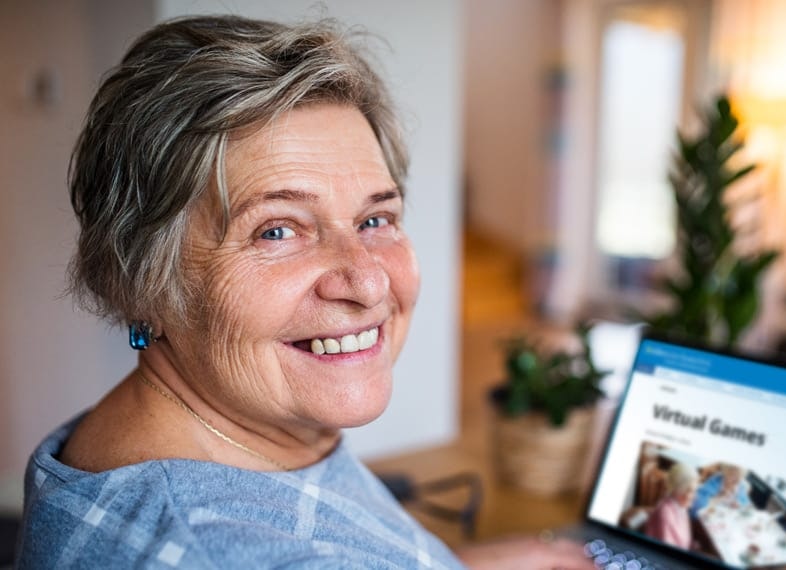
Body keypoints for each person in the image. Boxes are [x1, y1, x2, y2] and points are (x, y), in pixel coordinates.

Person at [14, 15, 593, 569]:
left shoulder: (221, 434)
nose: (368, 283)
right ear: (140, 281)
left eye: (375, 219)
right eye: (277, 230)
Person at [644, 462, 699, 549]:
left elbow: (684, 538)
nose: (695, 497)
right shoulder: (665, 514)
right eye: (690, 491)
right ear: (679, 490)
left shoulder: (681, 507)